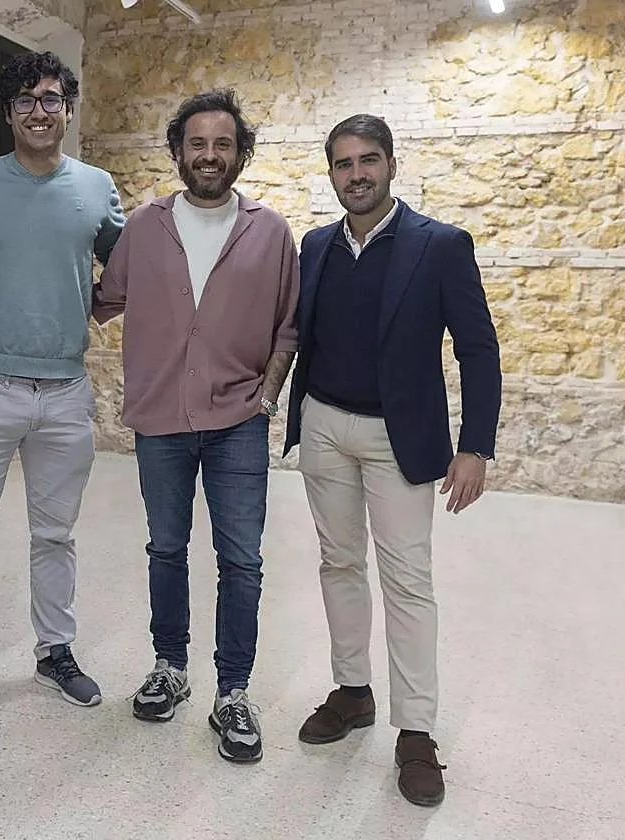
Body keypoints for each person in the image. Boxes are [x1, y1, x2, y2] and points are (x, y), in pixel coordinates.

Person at [284, 114, 501, 805]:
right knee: (338, 563)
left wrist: (475, 446)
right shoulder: (316, 245)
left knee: (408, 581)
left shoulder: (440, 246)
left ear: (391, 165)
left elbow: (479, 348)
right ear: (332, 173)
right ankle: (353, 692)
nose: (357, 175)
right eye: (343, 163)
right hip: (325, 426)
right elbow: (299, 335)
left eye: (368, 160)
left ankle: (416, 732)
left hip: (398, 439)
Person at [93, 90, 299, 763]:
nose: (210, 155)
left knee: (242, 560)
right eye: (198, 144)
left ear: (241, 154)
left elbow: (288, 327)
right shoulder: (144, 227)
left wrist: (267, 397)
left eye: (223, 145)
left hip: (239, 421)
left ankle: (233, 691)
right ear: (178, 151)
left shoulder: (270, 231)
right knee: (166, 548)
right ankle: (171, 667)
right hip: (161, 419)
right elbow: (101, 300)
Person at [0, 50, 125, 720]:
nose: (38, 112)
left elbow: (125, 265)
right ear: (9, 113)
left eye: (50, 99)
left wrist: (88, 308)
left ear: (68, 110)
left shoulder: (97, 187)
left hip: (65, 389)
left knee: (55, 534)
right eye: (24, 101)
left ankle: (55, 653)